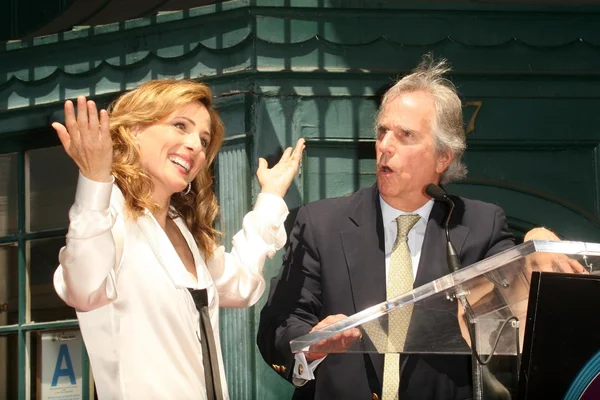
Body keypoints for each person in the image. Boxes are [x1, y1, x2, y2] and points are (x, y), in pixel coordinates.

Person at [256, 55, 585, 400]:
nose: (384, 146)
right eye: (382, 131)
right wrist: (310, 347)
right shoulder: (320, 223)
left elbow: (516, 294)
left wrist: (537, 242)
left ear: (444, 157)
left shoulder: (480, 226)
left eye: (405, 135)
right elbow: (279, 323)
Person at [52, 79, 305, 400]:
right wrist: (94, 179)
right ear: (135, 129)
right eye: (179, 126)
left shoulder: (185, 231)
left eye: (203, 139)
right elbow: (84, 288)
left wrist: (270, 197)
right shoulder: (108, 214)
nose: (195, 146)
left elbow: (240, 285)